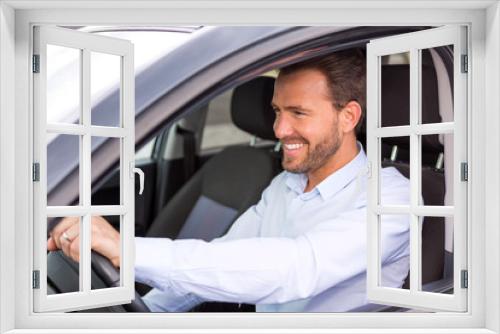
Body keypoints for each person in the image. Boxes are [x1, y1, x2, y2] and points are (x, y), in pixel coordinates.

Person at [47, 49, 410, 312]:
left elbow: (293, 269)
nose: (279, 129)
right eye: (277, 111)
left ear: (348, 117)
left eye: (298, 113)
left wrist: (128, 249)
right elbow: (221, 259)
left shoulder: (391, 200)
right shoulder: (285, 185)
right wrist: (146, 313)